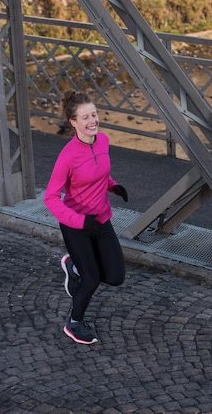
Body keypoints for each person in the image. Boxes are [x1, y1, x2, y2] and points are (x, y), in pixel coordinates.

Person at [44, 89, 128, 345]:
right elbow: (50, 198)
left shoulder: (103, 140)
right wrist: (80, 221)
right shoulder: (67, 157)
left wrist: (113, 186)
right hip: (77, 224)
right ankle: (74, 323)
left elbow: (99, 174)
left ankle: (74, 265)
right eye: (85, 117)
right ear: (73, 122)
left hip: (101, 218)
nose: (92, 121)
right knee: (91, 279)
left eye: (94, 114)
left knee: (115, 276)